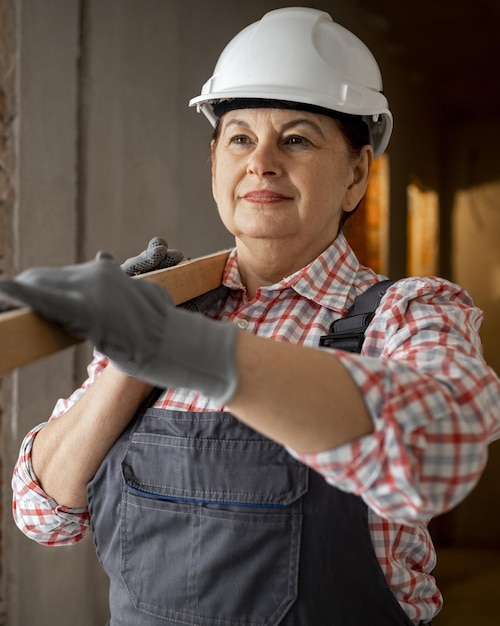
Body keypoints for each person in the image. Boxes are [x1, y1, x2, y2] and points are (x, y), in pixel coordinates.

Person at [1, 7, 499, 626]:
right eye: (239, 137)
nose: (261, 162)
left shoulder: (408, 312)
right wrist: (133, 358)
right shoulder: (169, 305)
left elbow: (441, 450)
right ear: (215, 164)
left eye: (296, 138)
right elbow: (43, 514)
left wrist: (185, 348)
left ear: (357, 174)